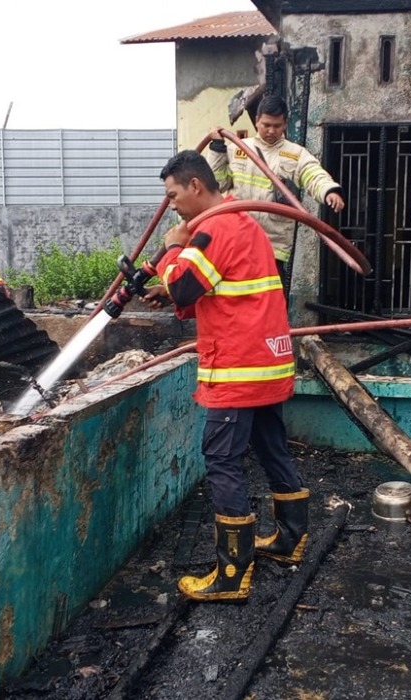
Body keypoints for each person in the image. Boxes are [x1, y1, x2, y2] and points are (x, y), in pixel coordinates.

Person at [143, 150, 309, 602]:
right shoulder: (244, 223)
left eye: (173, 195)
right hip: (266, 364)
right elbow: (220, 289)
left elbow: (184, 283)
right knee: (271, 448)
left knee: (221, 462)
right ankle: (290, 540)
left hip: (238, 368)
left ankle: (233, 574)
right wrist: (171, 290)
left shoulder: (213, 229)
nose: (172, 205)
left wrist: (174, 246)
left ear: (196, 186)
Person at [204, 95, 345, 294]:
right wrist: (217, 150)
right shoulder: (237, 148)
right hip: (236, 239)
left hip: (272, 246)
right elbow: (217, 185)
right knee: (232, 295)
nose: (271, 131)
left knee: (269, 300)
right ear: (256, 121)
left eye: (277, 126)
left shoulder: (295, 154)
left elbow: (313, 174)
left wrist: (329, 191)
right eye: (266, 125)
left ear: (285, 124)